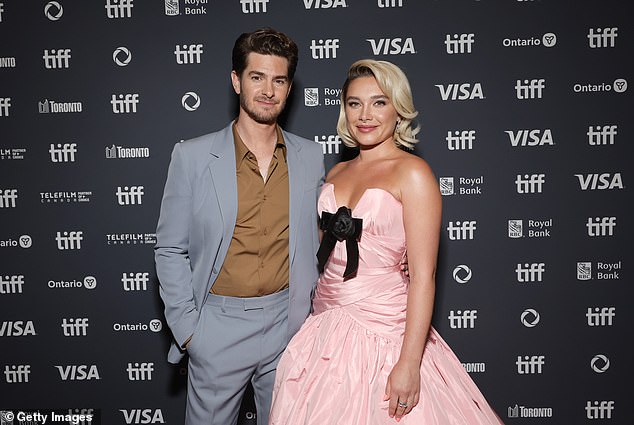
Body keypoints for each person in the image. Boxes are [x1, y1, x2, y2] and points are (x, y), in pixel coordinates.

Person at [269, 59, 504, 424]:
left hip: (386, 334)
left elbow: (424, 277)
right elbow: (324, 252)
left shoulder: (413, 172)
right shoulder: (336, 172)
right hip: (323, 331)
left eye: (379, 102)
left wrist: (409, 363)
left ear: (399, 109)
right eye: (354, 103)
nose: (365, 114)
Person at [154, 28, 325, 425]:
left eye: (278, 80)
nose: (268, 90)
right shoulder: (193, 156)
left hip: (289, 325)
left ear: (289, 87)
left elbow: (320, 237)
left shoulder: (310, 156)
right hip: (218, 327)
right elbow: (169, 248)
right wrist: (191, 331)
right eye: (257, 77)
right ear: (236, 80)